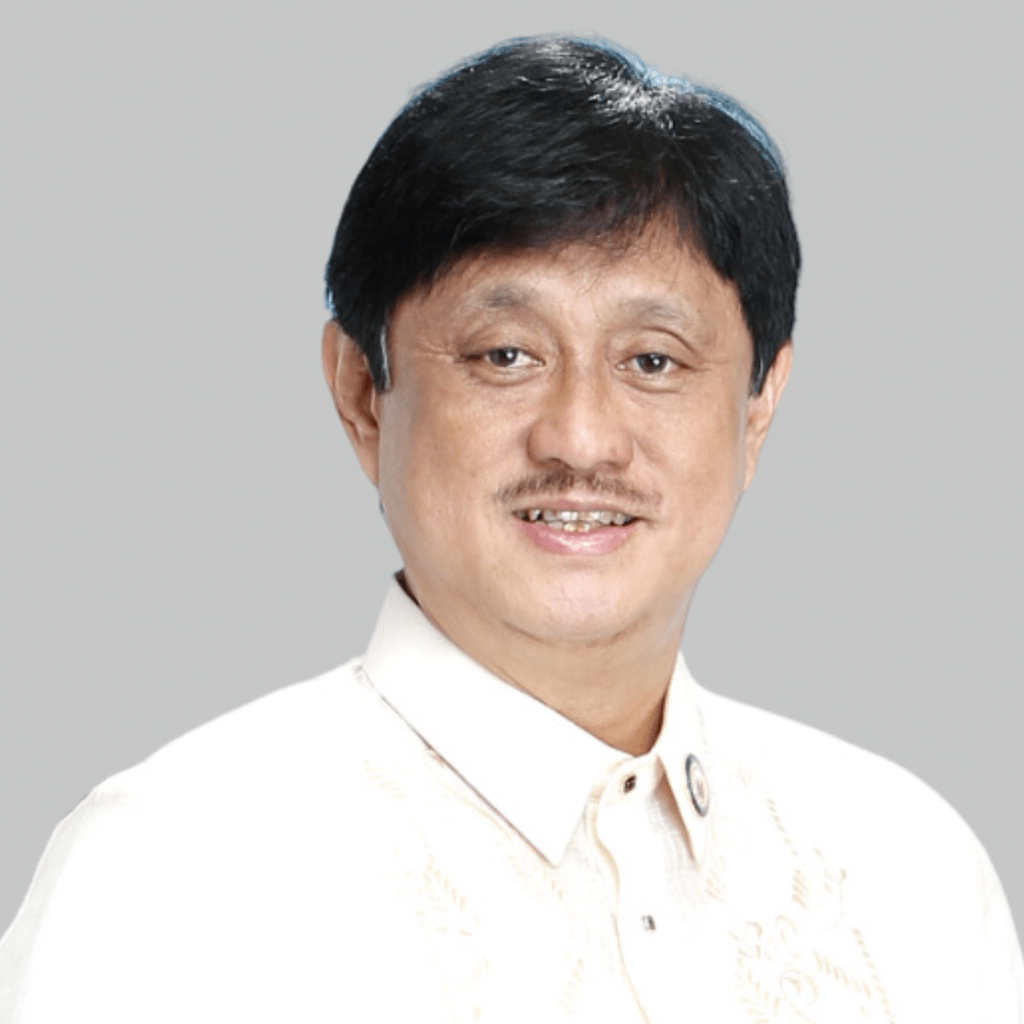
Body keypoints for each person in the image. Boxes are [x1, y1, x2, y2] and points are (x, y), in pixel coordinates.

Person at [1, 35, 1020, 1024]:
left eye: (653, 361)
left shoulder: (908, 871)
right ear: (361, 391)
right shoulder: (173, 869)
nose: (580, 437)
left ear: (757, 409)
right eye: (504, 355)